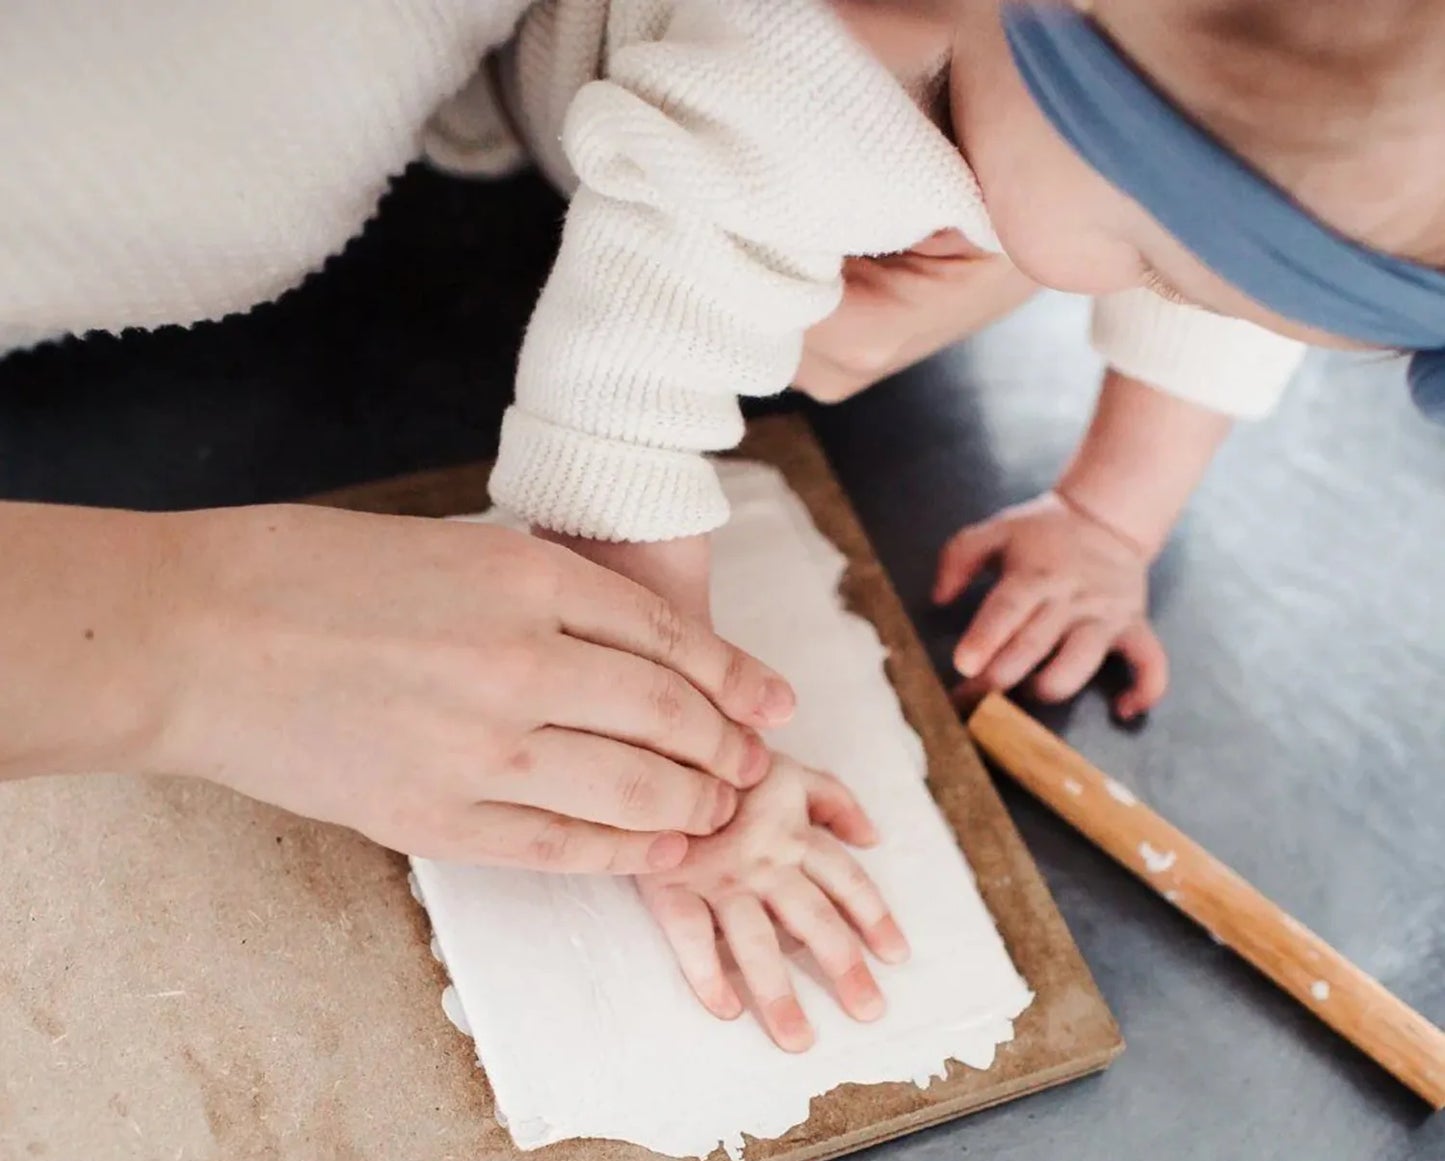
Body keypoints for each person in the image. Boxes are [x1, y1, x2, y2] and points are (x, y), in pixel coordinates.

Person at [4, 0, 1442, 1048]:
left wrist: (1105, 520)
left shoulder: (1150, 88)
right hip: (525, 157)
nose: (1158, 300)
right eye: (1150, 266)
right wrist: (668, 761)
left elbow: (1216, 309)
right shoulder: (812, 93)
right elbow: (622, 396)